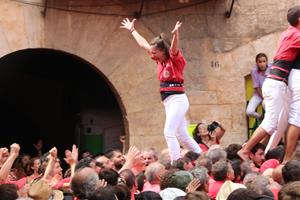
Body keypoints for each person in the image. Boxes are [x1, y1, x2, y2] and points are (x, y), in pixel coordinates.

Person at [120, 18, 201, 162]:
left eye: (155, 52)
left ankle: (175, 162)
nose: (151, 54)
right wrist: (132, 30)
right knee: (182, 134)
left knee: (169, 132)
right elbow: (143, 44)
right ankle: (200, 154)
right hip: (169, 101)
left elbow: (174, 48)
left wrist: (176, 34)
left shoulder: (174, 60)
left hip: (178, 99)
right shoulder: (159, 60)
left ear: (163, 51)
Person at [238, 6, 300, 160]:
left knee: (281, 122)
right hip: (276, 84)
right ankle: (245, 150)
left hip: (276, 84)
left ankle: (267, 152)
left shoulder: (288, 32)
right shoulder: (296, 35)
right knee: (272, 123)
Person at [246, 53, 270, 120]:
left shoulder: (271, 68)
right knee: (249, 112)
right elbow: (256, 87)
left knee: (268, 110)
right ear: (257, 63)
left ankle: (268, 123)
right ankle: (261, 118)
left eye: (264, 61)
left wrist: (267, 97)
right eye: (260, 62)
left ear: (267, 62)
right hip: (258, 94)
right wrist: (263, 97)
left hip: (269, 95)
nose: (262, 64)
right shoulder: (254, 71)